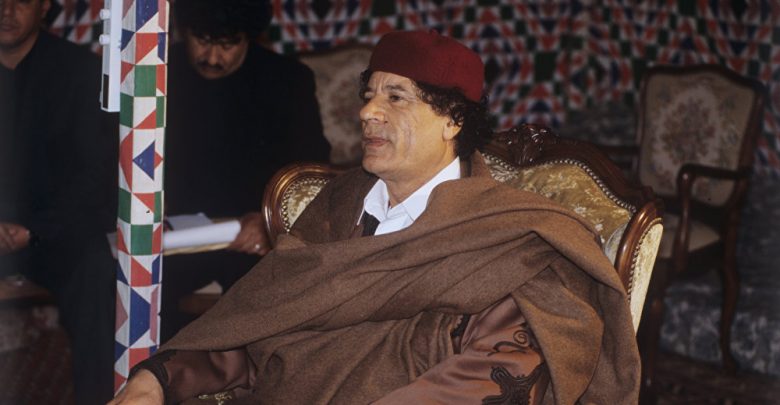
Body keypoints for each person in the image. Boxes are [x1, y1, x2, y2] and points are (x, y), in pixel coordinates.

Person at [110, 30, 640, 404]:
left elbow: (497, 374)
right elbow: (259, 332)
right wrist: (160, 379)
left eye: (396, 97)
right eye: (368, 96)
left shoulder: (509, 236)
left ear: (453, 120)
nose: (367, 112)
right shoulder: (336, 209)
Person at [161, 0, 330, 341]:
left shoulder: (288, 80)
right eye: (202, 41)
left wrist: (269, 219)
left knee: (272, 298)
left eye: (227, 45)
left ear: (248, 38)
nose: (212, 57)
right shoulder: (158, 74)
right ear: (183, 31)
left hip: (252, 236)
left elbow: (310, 172)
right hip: (174, 237)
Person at [0, 0, 118, 404]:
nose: (6, 11)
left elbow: (94, 176)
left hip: (49, 232)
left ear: (44, 6)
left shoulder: (79, 71)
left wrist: (33, 231)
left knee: (94, 268)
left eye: (21, 0)